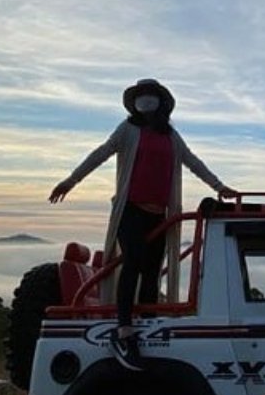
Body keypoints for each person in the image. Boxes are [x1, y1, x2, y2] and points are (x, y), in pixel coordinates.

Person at [49, 78, 237, 370]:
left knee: (151, 272)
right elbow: (100, 154)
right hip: (131, 212)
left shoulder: (171, 136)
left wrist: (219, 186)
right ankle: (124, 330)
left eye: (151, 95)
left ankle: (149, 326)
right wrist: (71, 181)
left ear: (161, 102)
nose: (146, 100)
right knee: (133, 261)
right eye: (141, 95)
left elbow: (192, 161)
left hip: (159, 215)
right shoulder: (127, 130)